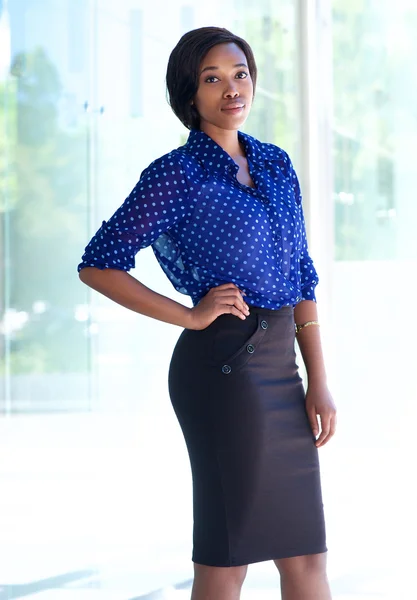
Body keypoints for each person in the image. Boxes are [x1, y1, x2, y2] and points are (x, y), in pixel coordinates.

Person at [78, 25, 337, 600]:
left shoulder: (275, 163)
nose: (231, 90)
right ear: (188, 94)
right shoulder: (177, 174)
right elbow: (99, 263)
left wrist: (318, 380)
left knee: (307, 556)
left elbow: (301, 275)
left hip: (280, 369)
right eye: (212, 79)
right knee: (228, 558)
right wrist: (189, 316)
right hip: (223, 370)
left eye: (240, 74)